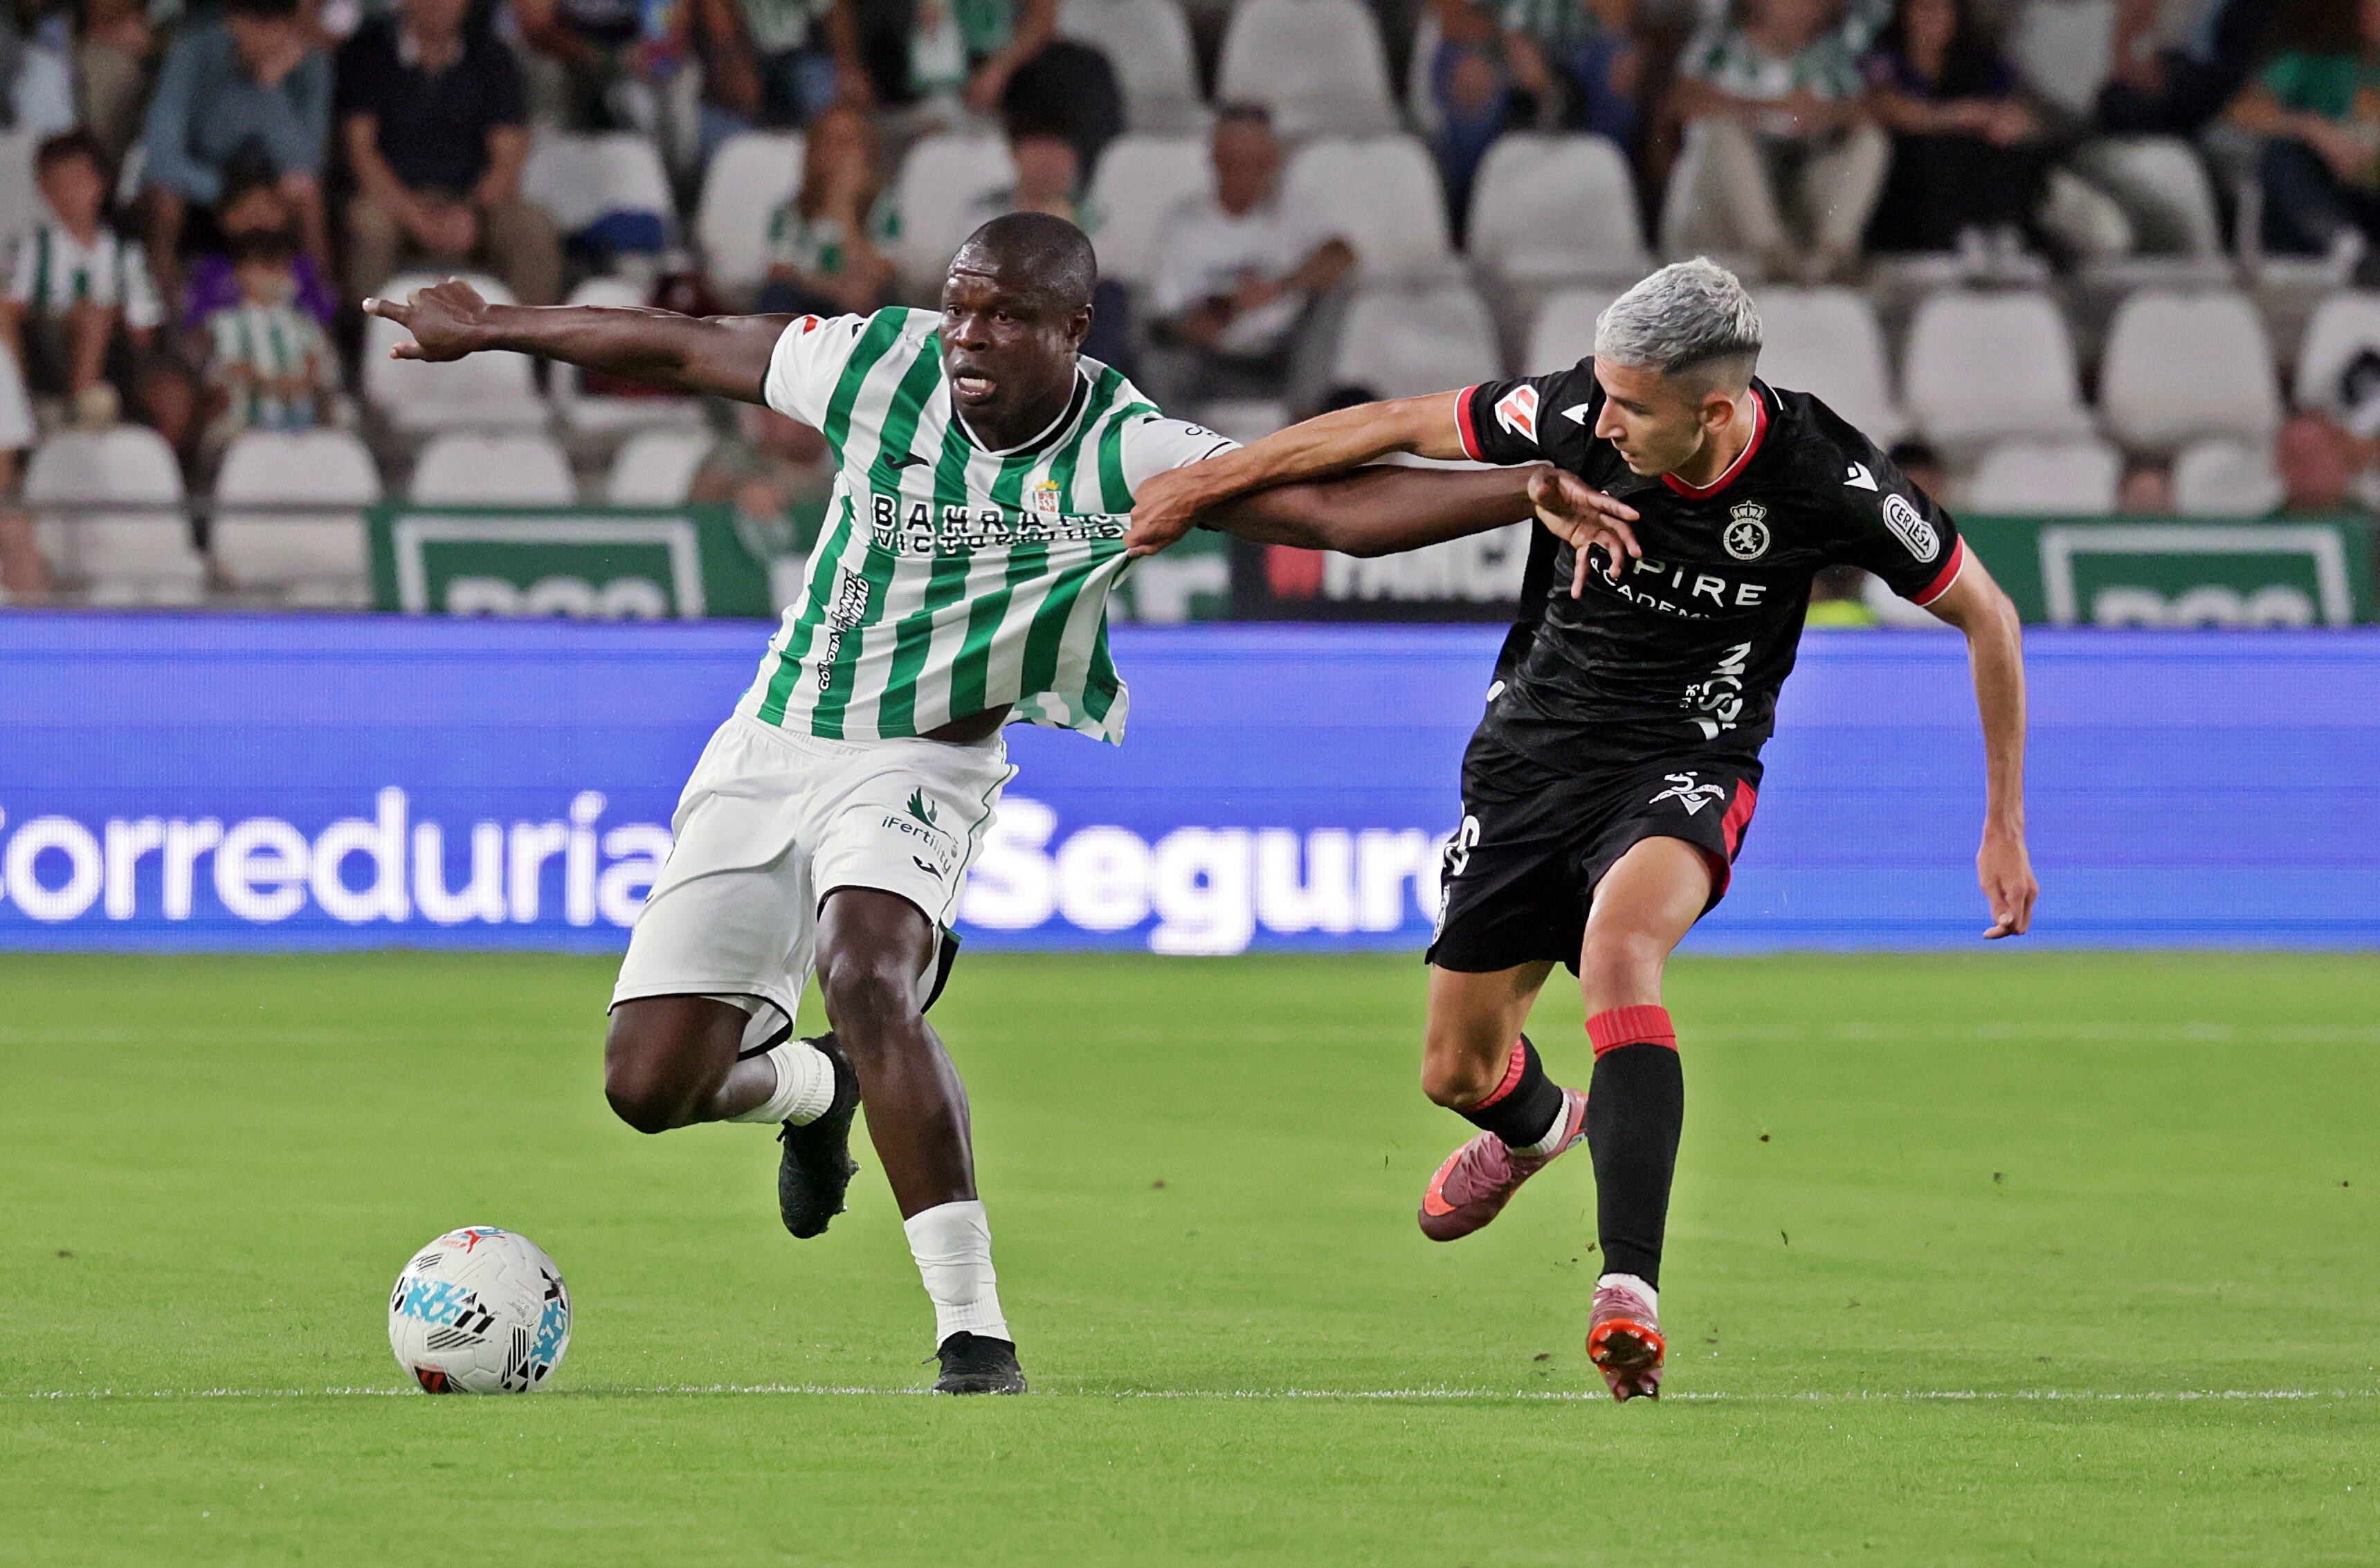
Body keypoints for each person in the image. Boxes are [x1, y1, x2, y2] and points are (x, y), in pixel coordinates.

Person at [363, 212, 1548, 1393]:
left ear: (1072, 333)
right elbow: (687, 343)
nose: (968, 334)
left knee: (867, 970)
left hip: (922, 760)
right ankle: (817, 1088)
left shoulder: (1126, 449)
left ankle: (970, 1333)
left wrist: (1531, 487)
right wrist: (488, 327)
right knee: (646, 1088)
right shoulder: (883, 363)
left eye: (1005, 315)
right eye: (960, 304)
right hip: (774, 734)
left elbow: (1335, 513)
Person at [1125, 257, 2037, 1401]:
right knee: (1455, 1070)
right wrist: (1202, 488)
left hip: (1684, 762)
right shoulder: (1574, 414)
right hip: (1529, 759)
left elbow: (1985, 615)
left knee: (1620, 951)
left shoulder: (1826, 475)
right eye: (1596, 394)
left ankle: (1627, 1293)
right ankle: (1537, 1127)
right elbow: (1385, 425)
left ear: (1713, 409)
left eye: (1627, 406)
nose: (1595, 423)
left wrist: (2000, 821)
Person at [336, 0, 563, 307]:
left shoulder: (493, 55)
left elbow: (508, 155)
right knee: (368, 226)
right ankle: (367, 341)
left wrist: (472, 212)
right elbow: (361, 152)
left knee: (533, 227)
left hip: (473, 199)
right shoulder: (367, 52)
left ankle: (532, 347)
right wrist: (415, 216)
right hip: (394, 199)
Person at [1145, 104, 1356, 411]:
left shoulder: (1295, 211)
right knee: (1157, 355)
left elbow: (1342, 256)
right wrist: (1235, 304)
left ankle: (1306, 419)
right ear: (1216, 161)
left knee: (1337, 289)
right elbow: (1179, 324)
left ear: (1273, 162)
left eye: (1257, 163)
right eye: (1235, 163)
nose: (1246, 174)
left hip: (1284, 357)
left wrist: (1280, 286)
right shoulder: (1184, 224)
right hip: (1211, 361)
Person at [1668, 0, 1893, 281]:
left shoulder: (1830, 54)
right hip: (1719, 213)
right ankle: (1770, 250)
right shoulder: (1720, 46)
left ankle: (1831, 255)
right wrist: (1770, 109)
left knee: (1870, 141)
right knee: (1718, 130)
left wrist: (1824, 115)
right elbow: (1681, 102)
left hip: (1795, 201)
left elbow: (1866, 108)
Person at [136, 0, 331, 303]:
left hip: (273, 193)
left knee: (306, 192)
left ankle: (319, 314)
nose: (266, 36)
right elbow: (161, 154)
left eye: (276, 24)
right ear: (234, 22)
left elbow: (307, 161)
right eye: (254, 22)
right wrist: (230, 194)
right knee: (164, 199)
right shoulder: (193, 52)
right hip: (205, 186)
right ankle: (164, 316)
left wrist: (268, 88)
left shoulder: (311, 64)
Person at [1862, 0, 2049, 258]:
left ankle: (1997, 236)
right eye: (1925, 10)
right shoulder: (1886, 58)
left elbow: (2021, 111)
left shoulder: (1977, 58)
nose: (1934, 18)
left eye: (1943, 10)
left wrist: (2004, 121)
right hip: (1907, 187)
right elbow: (1886, 108)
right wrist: (1957, 116)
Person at [1, 130, 163, 424]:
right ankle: (17, 407)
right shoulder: (34, 248)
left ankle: (81, 416)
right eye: (57, 186)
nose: (69, 195)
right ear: (44, 190)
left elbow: (143, 331)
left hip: (112, 361)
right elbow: (12, 307)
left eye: (78, 182)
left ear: (100, 185)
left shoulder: (125, 255)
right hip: (46, 353)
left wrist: (106, 318)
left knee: (96, 314)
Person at [2226, 0, 2380, 276]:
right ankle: (2345, 245)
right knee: (2282, 155)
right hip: (2323, 205)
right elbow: (2243, 111)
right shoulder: (2314, 64)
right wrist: (2313, 129)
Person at [199, 228, 338, 450]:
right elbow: (231, 367)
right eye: (269, 268)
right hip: (245, 428)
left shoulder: (304, 321)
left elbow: (316, 362)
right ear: (243, 273)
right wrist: (276, 386)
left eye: (284, 268)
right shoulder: (225, 323)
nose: (279, 275)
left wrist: (298, 384)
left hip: (303, 423)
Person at [756, 102, 898, 316]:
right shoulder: (790, 212)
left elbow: (877, 280)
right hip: (805, 310)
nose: (839, 154)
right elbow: (781, 273)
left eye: (848, 143)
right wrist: (837, 290)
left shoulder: (883, 210)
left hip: (860, 315)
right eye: (829, 142)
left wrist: (845, 209)